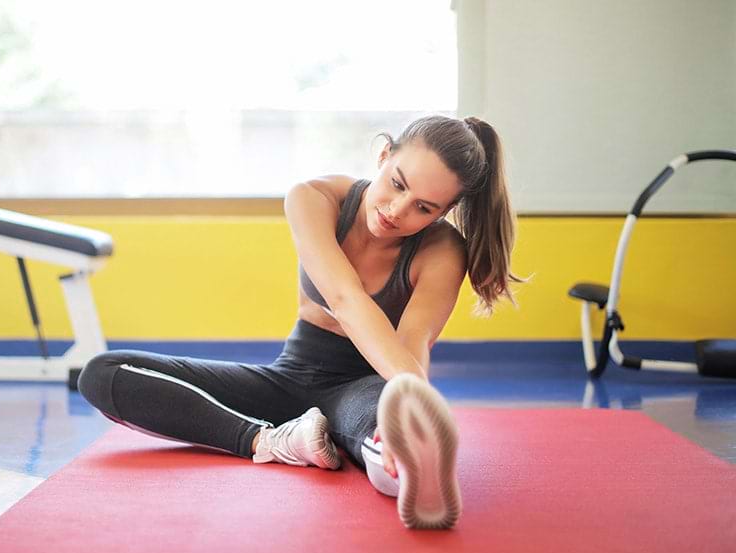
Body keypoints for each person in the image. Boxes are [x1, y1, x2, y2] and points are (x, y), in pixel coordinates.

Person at [77, 114, 521, 530]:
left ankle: (410, 467)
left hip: (367, 386)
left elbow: (414, 341)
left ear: (443, 212)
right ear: (383, 155)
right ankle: (271, 441)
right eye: (397, 184)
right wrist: (412, 391)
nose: (397, 210)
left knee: (390, 443)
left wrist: (407, 407)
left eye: (423, 207)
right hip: (288, 378)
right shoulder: (314, 197)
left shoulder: (442, 249)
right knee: (103, 375)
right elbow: (345, 298)